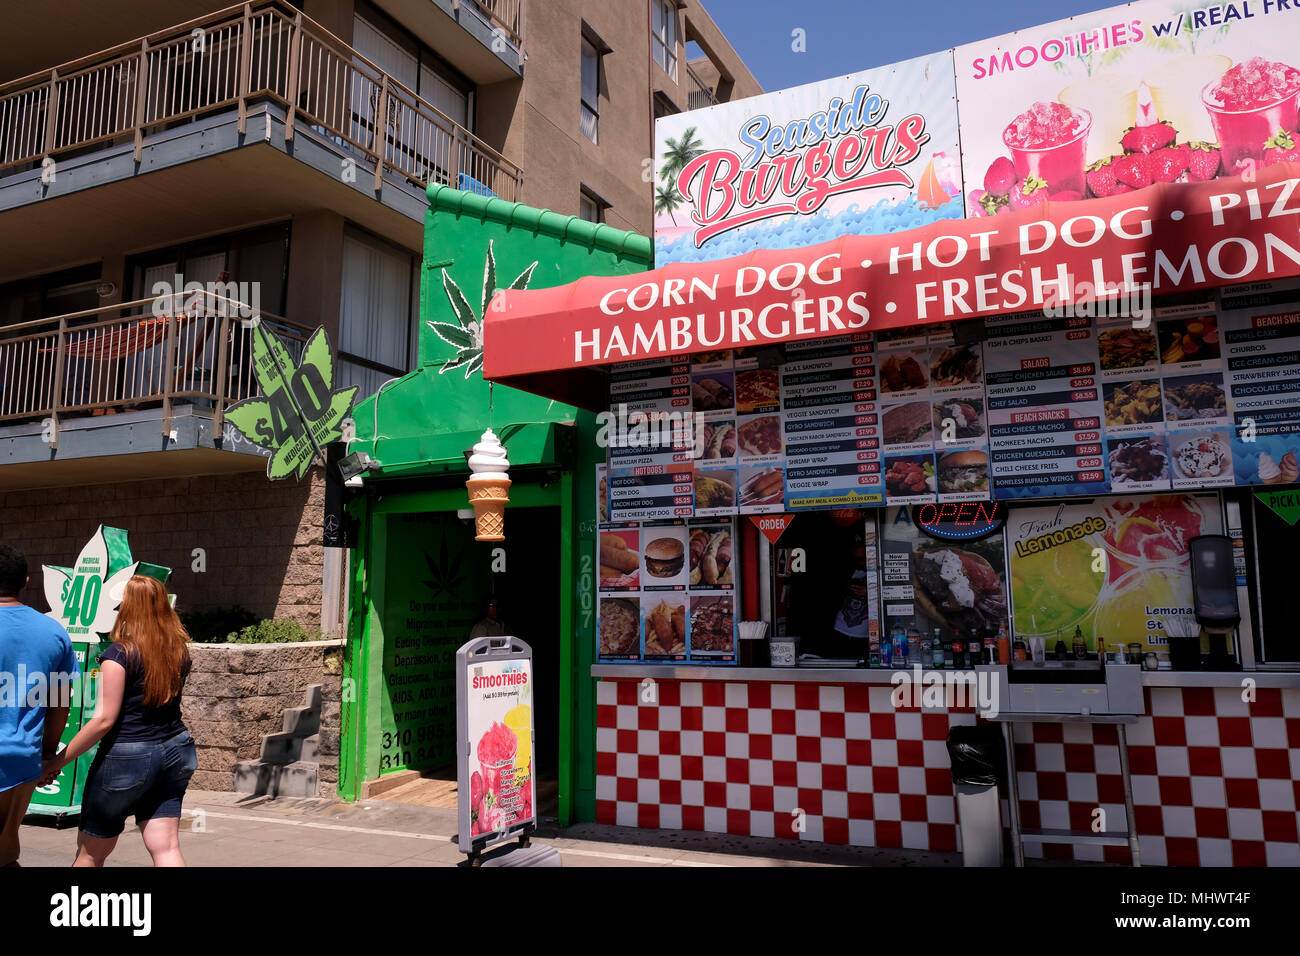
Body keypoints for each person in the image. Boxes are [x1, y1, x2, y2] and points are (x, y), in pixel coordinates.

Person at [41, 575, 196, 867]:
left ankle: (74, 911)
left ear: (127, 608)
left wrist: (55, 762)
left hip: (128, 757)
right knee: (166, 847)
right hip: (177, 750)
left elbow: (103, 720)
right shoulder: (179, 651)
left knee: (90, 853)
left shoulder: (119, 655)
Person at [0, 545, 78, 867]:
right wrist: (48, 754)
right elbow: (61, 705)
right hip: (21, 761)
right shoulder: (54, 633)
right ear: (26, 582)